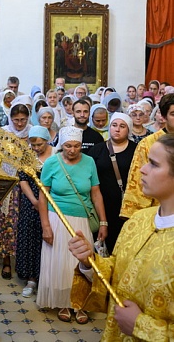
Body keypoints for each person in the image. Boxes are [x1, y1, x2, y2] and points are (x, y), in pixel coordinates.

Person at [69, 133, 174, 341]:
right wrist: (90, 262)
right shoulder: (138, 220)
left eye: (153, 164)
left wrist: (141, 325)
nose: (142, 169)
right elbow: (117, 271)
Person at [36, 126, 107, 324]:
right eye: (68, 145)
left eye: (77, 146)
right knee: (61, 264)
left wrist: (103, 221)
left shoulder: (89, 162)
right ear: (61, 145)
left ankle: (81, 303)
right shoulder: (52, 163)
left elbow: (95, 193)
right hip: (57, 218)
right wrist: (46, 226)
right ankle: (65, 303)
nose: (72, 150)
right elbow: (43, 195)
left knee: (81, 263)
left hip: (82, 219)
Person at [16, 125, 56, 298]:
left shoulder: (56, 154)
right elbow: (22, 179)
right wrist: (34, 200)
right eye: (34, 145)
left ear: (47, 141)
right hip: (31, 204)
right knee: (31, 238)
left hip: (53, 203)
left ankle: (48, 279)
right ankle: (31, 279)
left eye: (40, 144)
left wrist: (44, 202)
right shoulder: (27, 156)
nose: (37, 148)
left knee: (49, 238)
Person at [88, 113, 137, 253]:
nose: (117, 129)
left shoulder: (137, 150)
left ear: (129, 129)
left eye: (122, 126)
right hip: (101, 207)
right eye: (114, 125)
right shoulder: (97, 150)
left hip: (126, 208)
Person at [120, 93, 174, 219]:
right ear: (164, 116)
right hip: (158, 212)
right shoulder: (148, 143)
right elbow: (138, 182)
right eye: (173, 114)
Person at [0, 103, 31, 280]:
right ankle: (6, 262)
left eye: (23, 120)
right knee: (6, 224)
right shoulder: (3, 134)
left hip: (28, 186)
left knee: (24, 223)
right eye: (16, 120)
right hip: (8, 185)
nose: (20, 124)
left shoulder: (33, 133)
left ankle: (23, 261)